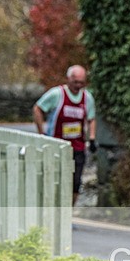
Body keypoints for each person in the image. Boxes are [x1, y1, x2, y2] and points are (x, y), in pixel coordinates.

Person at [33, 65, 97, 206]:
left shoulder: (87, 98)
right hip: (56, 146)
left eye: (82, 82)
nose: (78, 86)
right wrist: (41, 132)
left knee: (75, 183)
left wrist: (92, 138)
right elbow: (38, 108)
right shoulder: (57, 94)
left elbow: (91, 118)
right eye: (75, 82)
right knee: (54, 181)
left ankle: (67, 214)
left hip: (77, 147)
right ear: (68, 79)